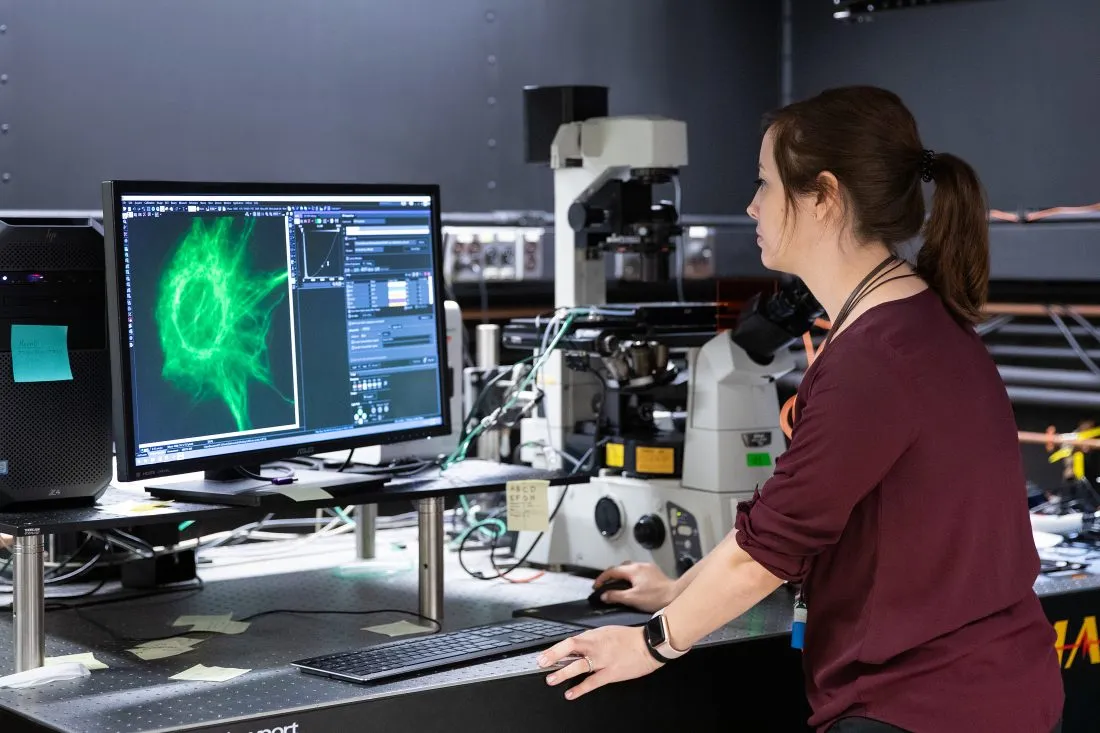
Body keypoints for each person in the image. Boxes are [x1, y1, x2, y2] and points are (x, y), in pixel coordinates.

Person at [535, 86, 1065, 733]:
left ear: (824, 196)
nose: (752, 205)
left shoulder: (872, 359)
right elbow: (782, 515)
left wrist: (651, 641)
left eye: (765, 183)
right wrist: (680, 590)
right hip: (998, 689)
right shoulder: (926, 322)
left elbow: (768, 551)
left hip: (920, 706)